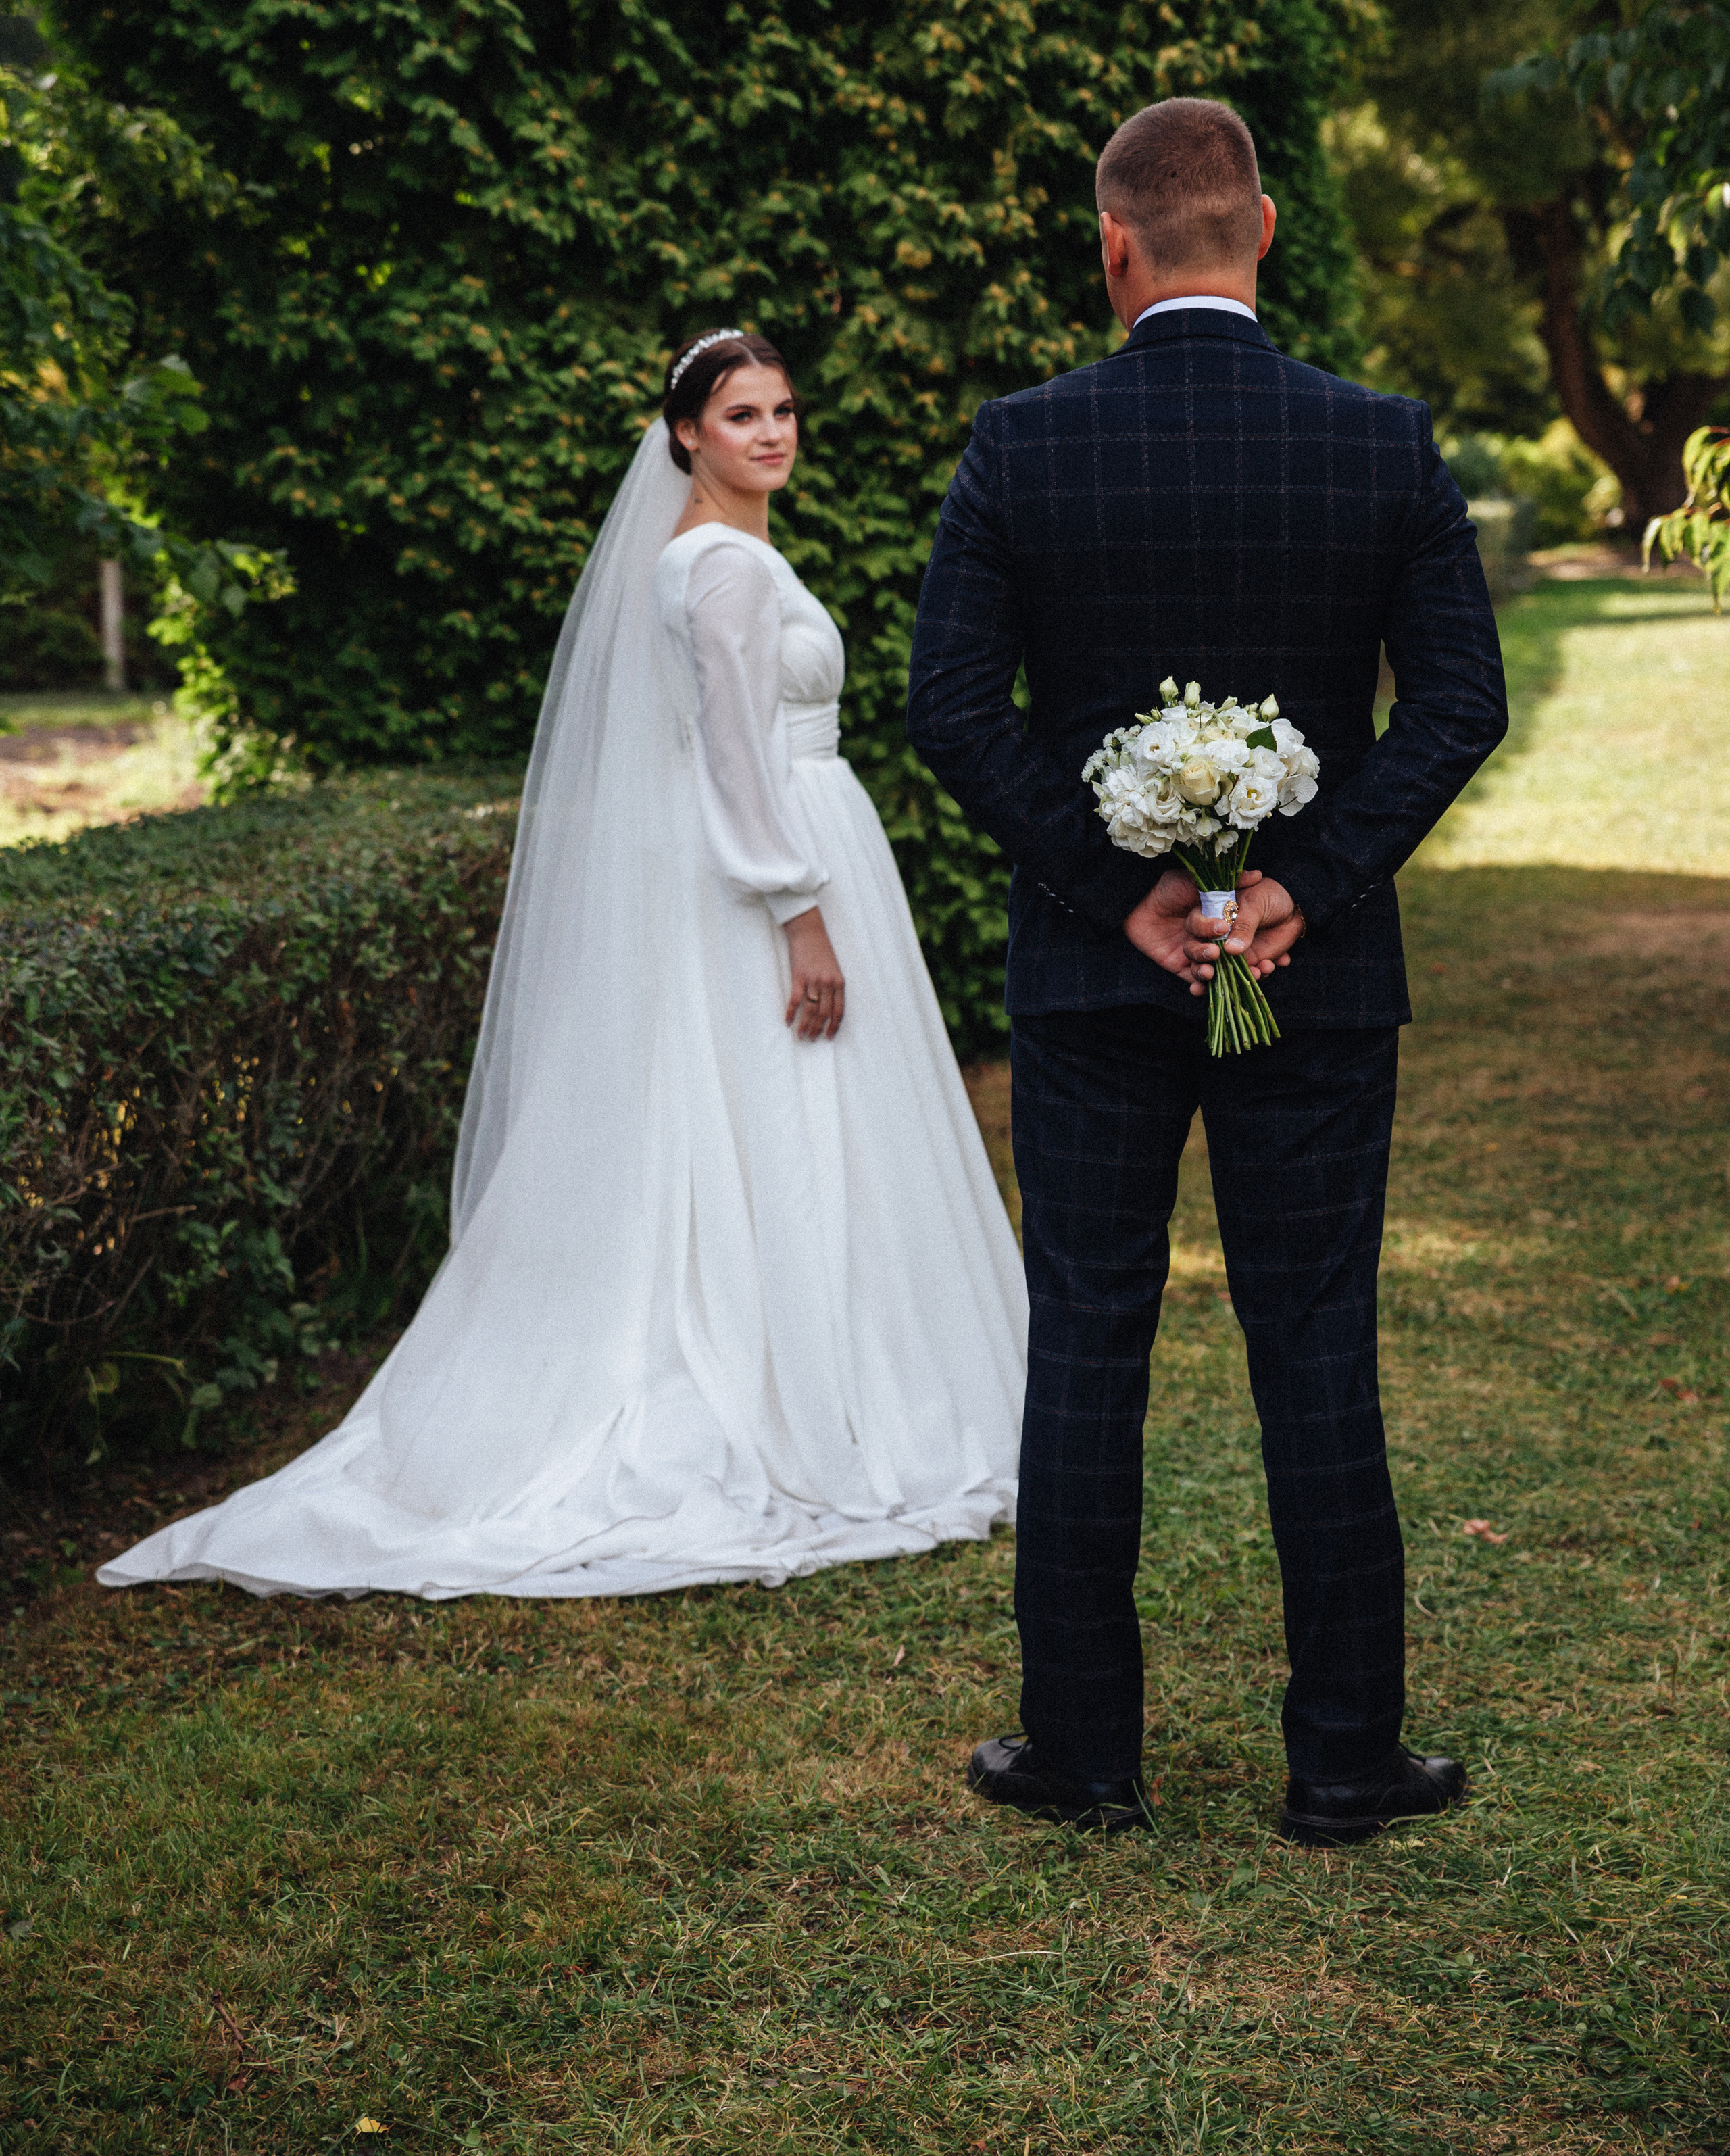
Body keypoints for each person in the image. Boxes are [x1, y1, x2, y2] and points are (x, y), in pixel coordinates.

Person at [102, 330, 1024, 1601]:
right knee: (789, 1113)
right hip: (780, 868)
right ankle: (816, 1393)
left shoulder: (716, 552)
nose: (772, 433)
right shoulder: (719, 568)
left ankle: (823, 1362)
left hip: (771, 860)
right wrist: (800, 914)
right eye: (741, 414)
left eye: (785, 410)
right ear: (686, 434)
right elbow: (737, 765)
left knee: (771, 1124)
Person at [907, 98, 1508, 1845]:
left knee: (1088, 1339)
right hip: (1314, 990)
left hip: (1100, 995)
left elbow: (953, 708)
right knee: (1316, 1338)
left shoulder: (1020, 446)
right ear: (1263, 235)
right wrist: (1303, 887)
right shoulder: (1382, 442)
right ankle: (1342, 1761)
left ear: (1116, 250)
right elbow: (1459, 701)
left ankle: (1083, 1755)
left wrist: (1120, 895)